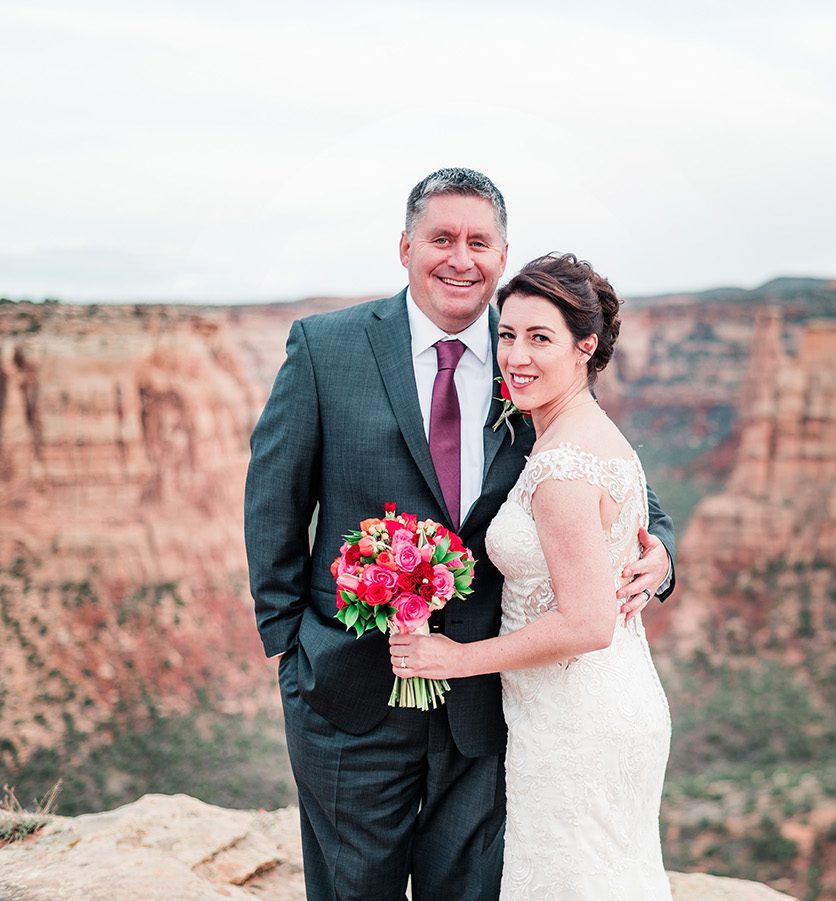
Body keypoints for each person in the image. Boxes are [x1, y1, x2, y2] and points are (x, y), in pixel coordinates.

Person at [244, 168, 676, 900]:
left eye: (479, 241)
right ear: (405, 245)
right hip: (348, 691)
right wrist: (293, 647)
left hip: (487, 715)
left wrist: (660, 549)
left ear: (503, 255)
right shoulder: (326, 348)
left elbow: (608, 471)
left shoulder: (528, 359)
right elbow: (273, 501)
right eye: (441, 238)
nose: (460, 257)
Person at [390, 252, 671, 899]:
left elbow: (588, 622)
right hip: (599, 701)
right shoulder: (575, 430)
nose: (516, 355)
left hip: (577, 720)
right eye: (508, 334)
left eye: (540, 337)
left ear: (585, 346)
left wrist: (454, 659)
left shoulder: (564, 467)